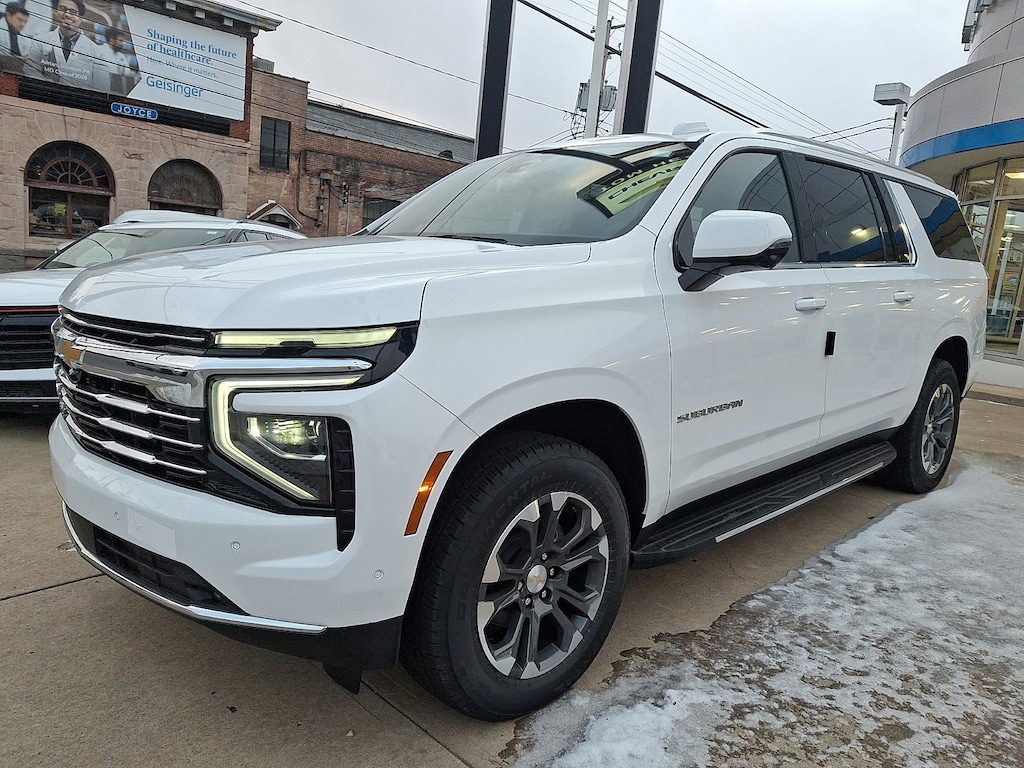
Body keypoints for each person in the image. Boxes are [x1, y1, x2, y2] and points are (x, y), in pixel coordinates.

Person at [24, 0, 113, 91]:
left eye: (73, 12)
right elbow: (30, 71)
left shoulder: (97, 52)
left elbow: (102, 89)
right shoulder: (39, 41)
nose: (67, 14)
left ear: (80, 18)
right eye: (62, 9)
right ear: (56, 12)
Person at [0, 2, 30, 71]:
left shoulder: (23, 35)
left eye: (25, 21)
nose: (23, 24)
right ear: (8, 15)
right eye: (19, 20)